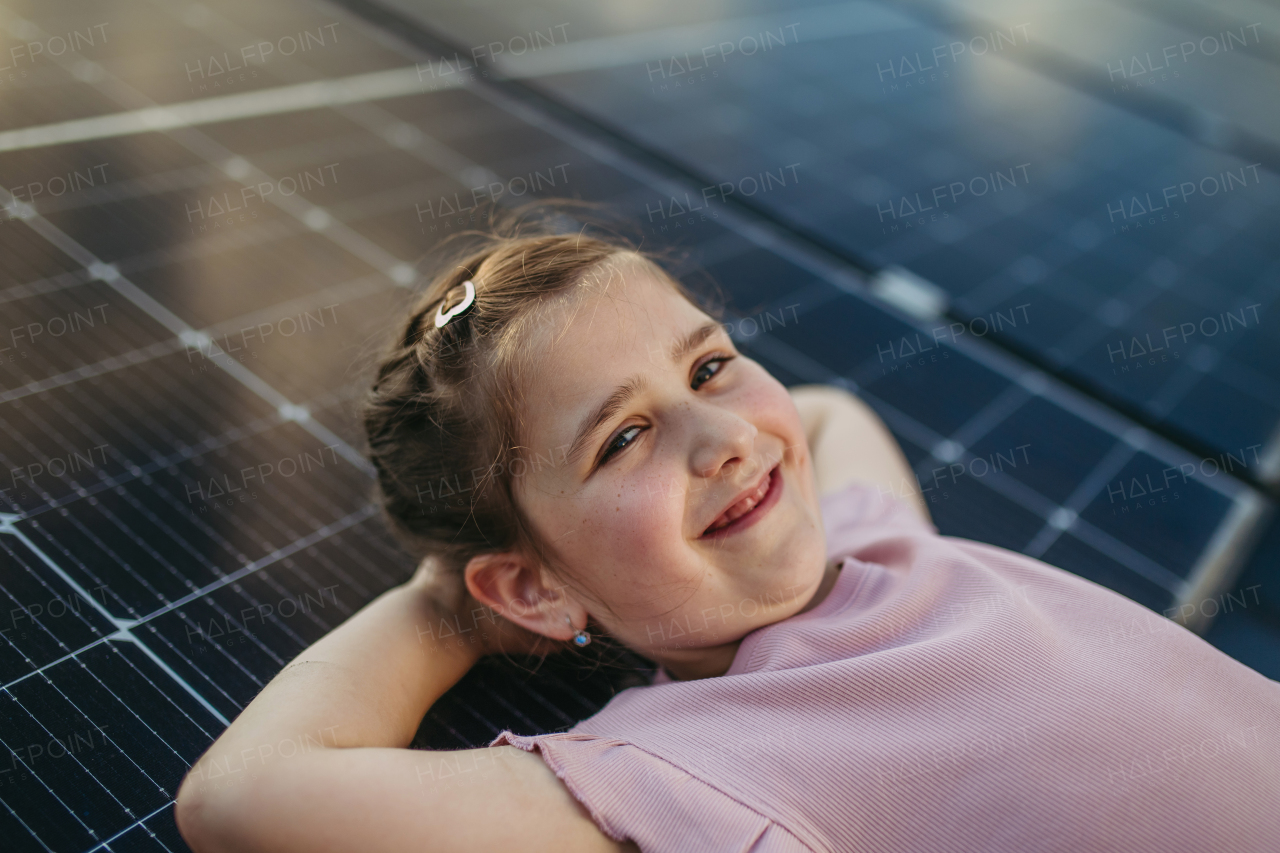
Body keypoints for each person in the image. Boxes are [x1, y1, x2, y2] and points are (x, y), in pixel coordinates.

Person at [175, 210, 1280, 853]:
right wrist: (448, 605)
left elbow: (826, 416)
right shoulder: (689, 769)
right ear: (532, 588)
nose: (724, 438)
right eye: (620, 439)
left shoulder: (870, 545)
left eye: (708, 365)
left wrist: (702, 431)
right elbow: (237, 797)